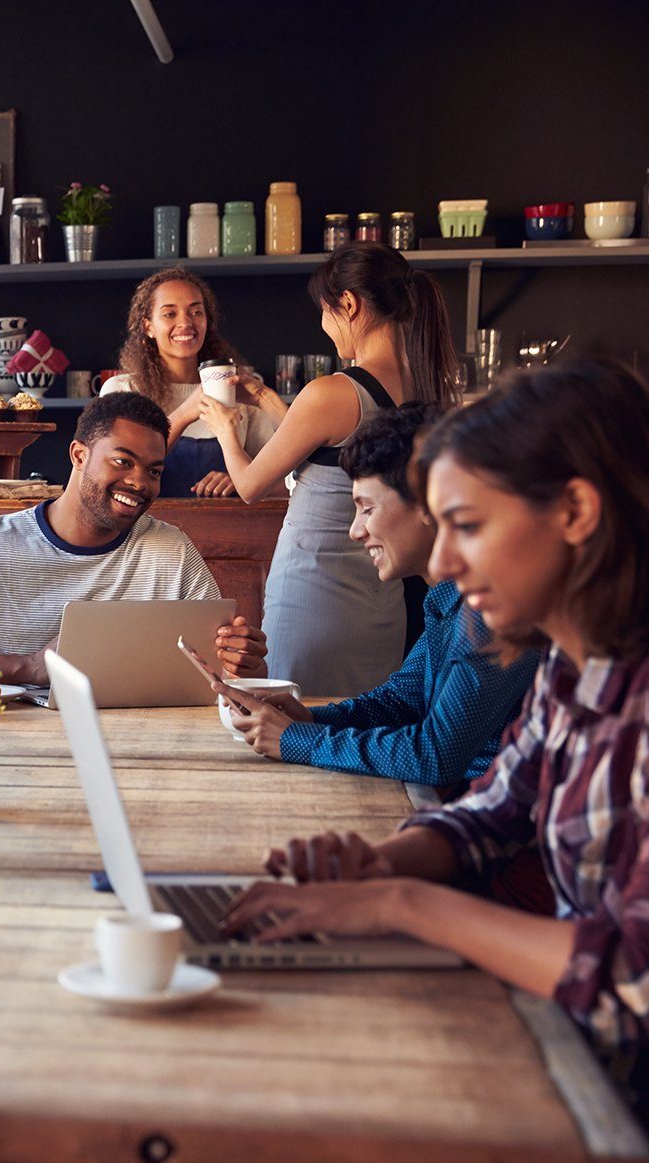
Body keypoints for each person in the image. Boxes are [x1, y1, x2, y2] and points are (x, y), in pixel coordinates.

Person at [221, 359, 649, 1114]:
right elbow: (490, 813)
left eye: (470, 527)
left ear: (577, 512)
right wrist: (375, 865)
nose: (446, 564)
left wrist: (401, 904)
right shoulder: (573, 666)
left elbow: (628, 982)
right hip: (570, 1061)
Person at [196, 242, 461, 696]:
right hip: (382, 604)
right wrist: (263, 398)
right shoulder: (426, 385)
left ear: (349, 305)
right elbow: (335, 452)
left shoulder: (333, 392)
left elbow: (249, 485)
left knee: (301, 726)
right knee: (365, 727)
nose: (324, 326)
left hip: (315, 594)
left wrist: (224, 427)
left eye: (324, 311)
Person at [228, 403, 537, 793]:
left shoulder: (489, 609)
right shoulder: (448, 597)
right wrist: (308, 719)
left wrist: (295, 740)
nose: (356, 531)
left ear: (429, 504)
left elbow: (435, 756)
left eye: (366, 509)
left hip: (494, 824)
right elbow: (400, 702)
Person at [0, 392, 267, 685]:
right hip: (12, 750)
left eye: (153, 470)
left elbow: (224, 671)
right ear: (79, 455)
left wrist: (245, 661)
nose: (139, 483)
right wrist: (29, 666)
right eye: (122, 461)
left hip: (144, 746)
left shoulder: (171, 551)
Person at [101, 268, 278, 498]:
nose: (185, 322)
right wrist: (186, 412)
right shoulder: (122, 391)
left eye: (196, 312)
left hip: (227, 530)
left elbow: (288, 483)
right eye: (169, 314)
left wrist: (241, 480)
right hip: (145, 530)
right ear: (148, 327)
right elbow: (113, 474)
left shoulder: (239, 389)